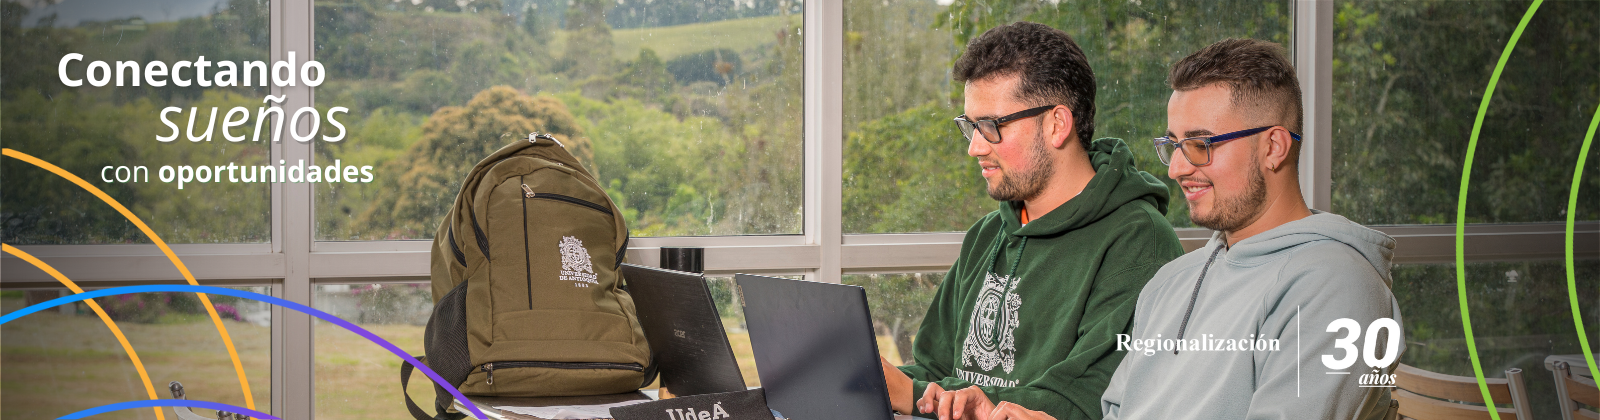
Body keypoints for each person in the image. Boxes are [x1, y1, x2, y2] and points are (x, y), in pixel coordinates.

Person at [879, 22, 1184, 420]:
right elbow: (933, 370)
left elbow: (1089, 398)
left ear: (1057, 124)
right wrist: (880, 382)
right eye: (970, 126)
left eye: (990, 126)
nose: (974, 147)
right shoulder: (987, 234)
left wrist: (915, 392)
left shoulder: (1138, 241)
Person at [1098, 39, 1402, 420]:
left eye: (1199, 144)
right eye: (1173, 144)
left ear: (1273, 147)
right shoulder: (1171, 281)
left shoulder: (1339, 287)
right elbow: (1116, 410)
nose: (1175, 168)